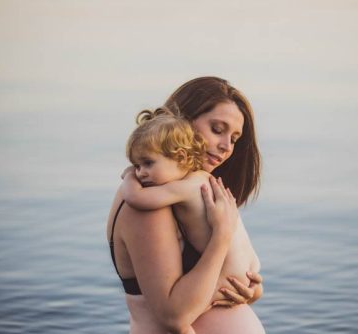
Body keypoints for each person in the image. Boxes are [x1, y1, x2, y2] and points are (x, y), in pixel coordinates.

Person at [107, 76, 265, 333]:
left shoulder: (194, 189)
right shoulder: (148, 205)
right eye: (217, 129)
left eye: (234, 138)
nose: (226, 147)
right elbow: (173, 316)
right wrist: (221, 237)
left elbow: (233, 275)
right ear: (180, 124)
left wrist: (250, 289)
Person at [120, 107, 260, 305]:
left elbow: (137, 198)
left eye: (147, 163)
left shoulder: (185, 187)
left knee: (186, 314)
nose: (141, 173)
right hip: (247, 267)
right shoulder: (203, 178)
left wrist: (128, 176)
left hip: (230, 272)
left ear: (181, 157)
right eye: (137, 166)